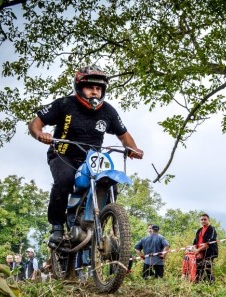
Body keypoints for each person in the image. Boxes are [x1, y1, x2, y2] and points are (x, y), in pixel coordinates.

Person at [28, 66, 144, 244]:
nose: (95, 92)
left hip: (91, 159)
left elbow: (123, 135)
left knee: (110, 184)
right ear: (80, 88)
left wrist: (134, 149)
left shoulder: (108, 111)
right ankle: (57, 227)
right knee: (64, 180)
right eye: (90, 88)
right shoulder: (64, 104)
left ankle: (96, 220)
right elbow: (36, 123)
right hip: (62, 154)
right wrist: (40, 134)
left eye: (98, 89)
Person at [193, 214, 218, 283]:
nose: (203, 221)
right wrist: (196, 251)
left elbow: (208, 244)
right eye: (202, 219)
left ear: (208, 220)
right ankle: (198, 287)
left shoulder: (212, 229)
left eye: (205, 219)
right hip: (198, 254)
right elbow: (194, 243)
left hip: (209, 254)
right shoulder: (199, 230)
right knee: (198, 272)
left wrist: (198, 250)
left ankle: (213, 287)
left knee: (208, 271)